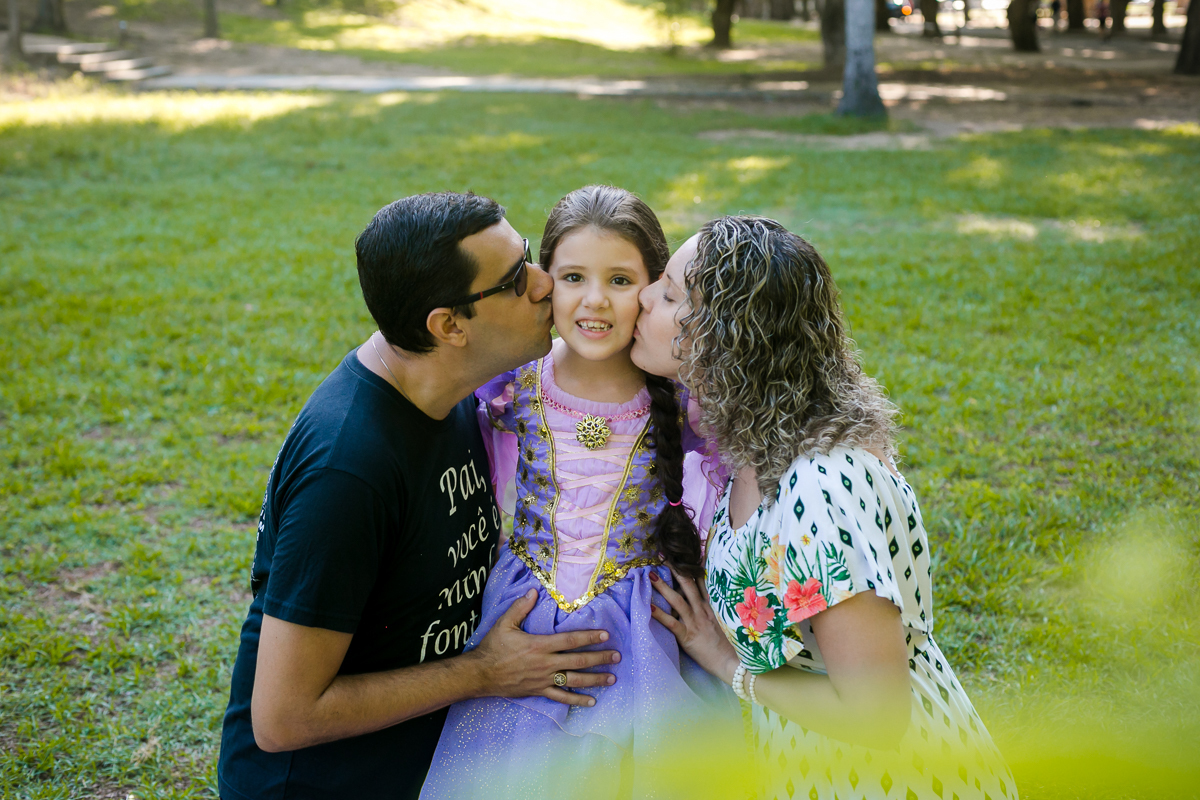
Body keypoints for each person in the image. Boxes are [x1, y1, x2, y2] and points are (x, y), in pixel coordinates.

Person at [217, 192, 621, 800]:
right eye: (516, 281)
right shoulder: (348, 471)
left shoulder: (452, 383)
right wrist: (485, 672)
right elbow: (282, 717)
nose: (545, 284)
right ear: (448, 325)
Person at [631, 217, 1018, 800]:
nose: (641, 296)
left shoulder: (821, 488)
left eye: (668, 292)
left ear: (720, 339)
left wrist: (725, 662)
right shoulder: (757, 440)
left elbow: (875, 717)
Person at [420, 186, 743, 799]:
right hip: (523, 610)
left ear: (653, 291)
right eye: (573, 277)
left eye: (621, 280)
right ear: (544, 283)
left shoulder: (683, 402)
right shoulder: (509, 386)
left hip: (641, 635)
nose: (595, 301)